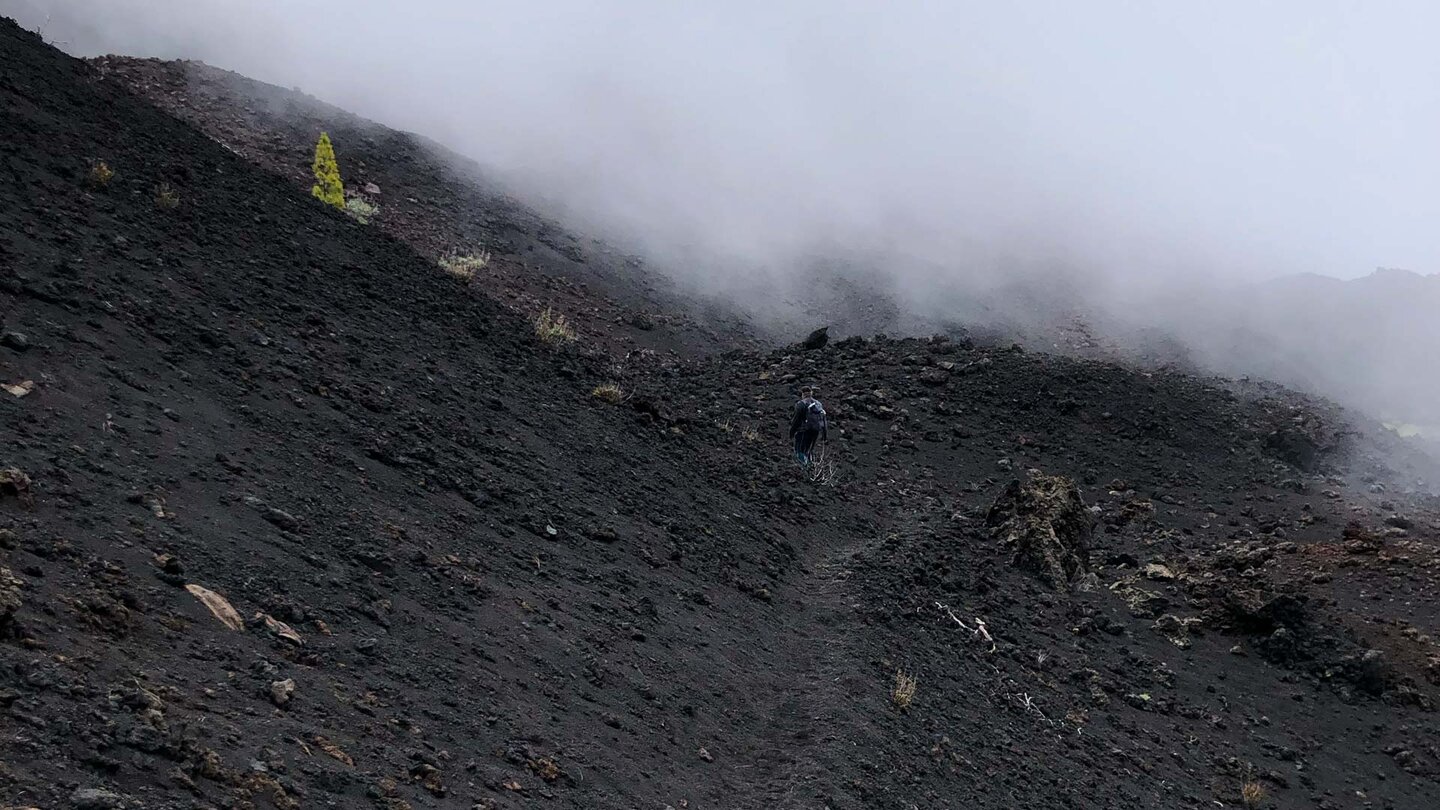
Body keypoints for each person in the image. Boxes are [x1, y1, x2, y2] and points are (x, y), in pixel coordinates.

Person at [788, 386, 828, 465]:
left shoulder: (801, 404)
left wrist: (791, 432)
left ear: (802, 394)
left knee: (799, 451)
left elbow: (796, 420)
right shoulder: (818, 404)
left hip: (803, 431)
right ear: (811, 393)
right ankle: (811, 468)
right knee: (808, 451)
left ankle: (804, 469)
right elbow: (823, 419)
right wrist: (824, 435)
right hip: (816, 431)